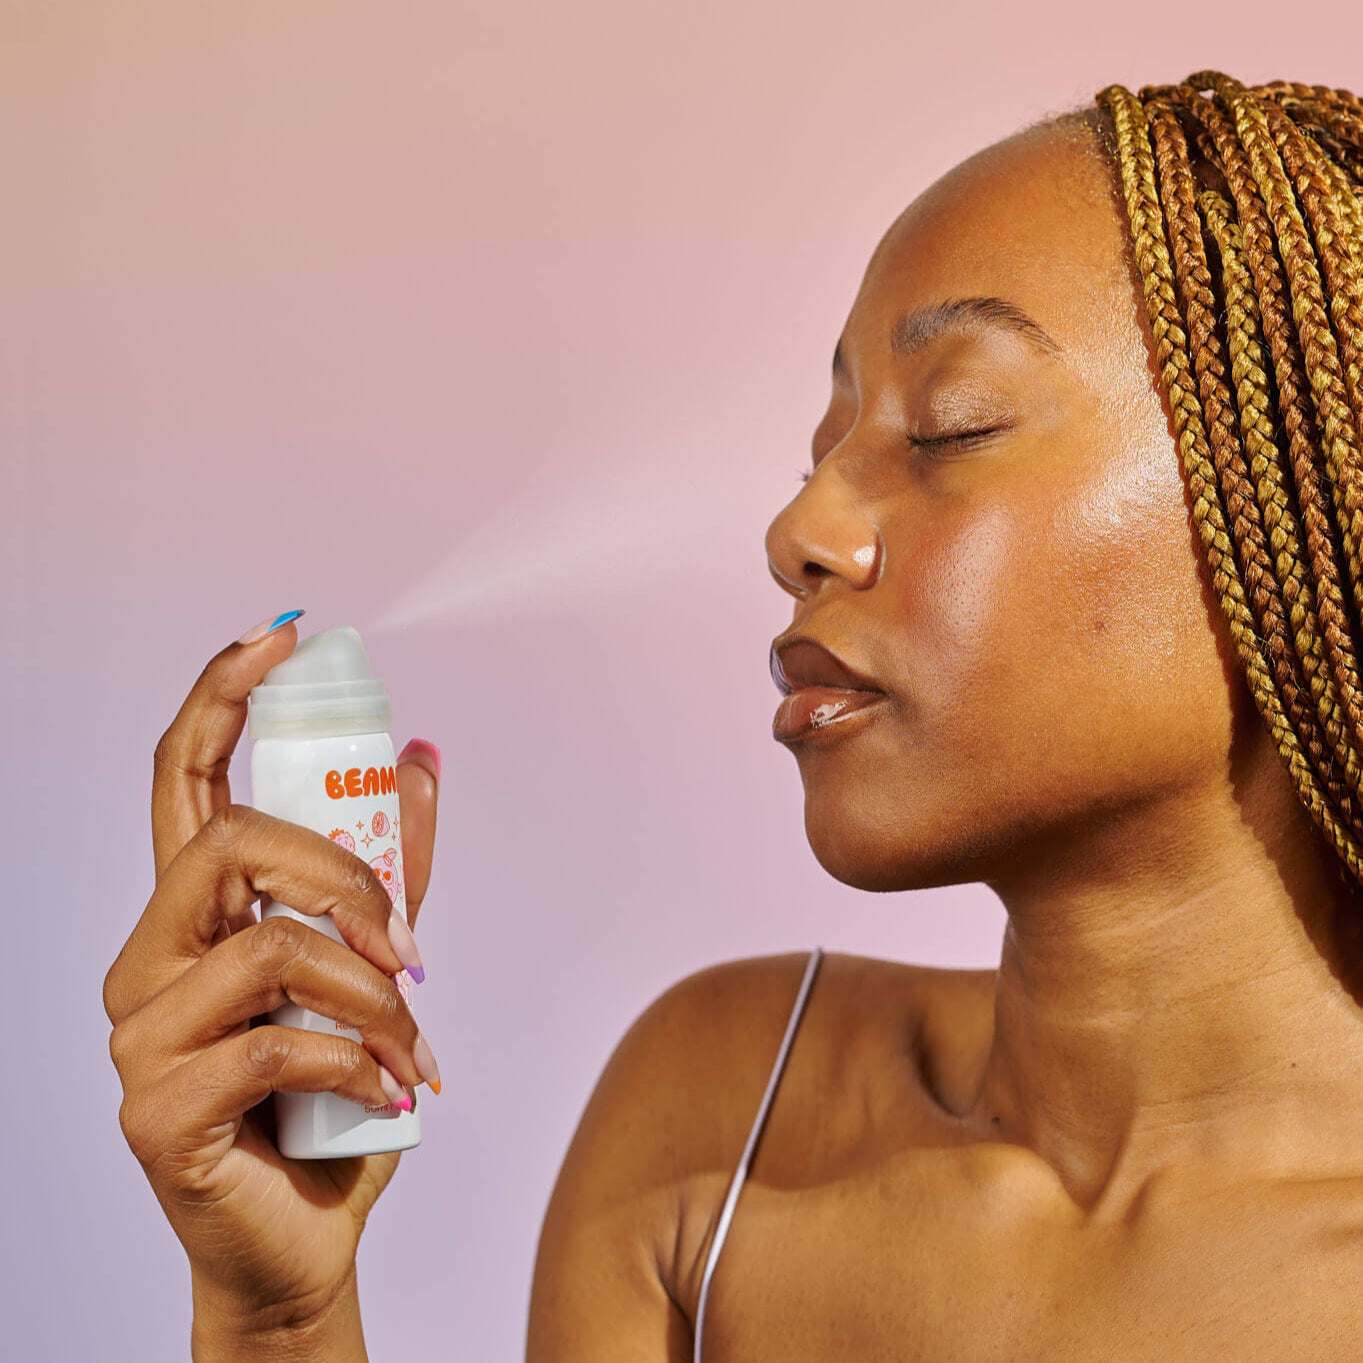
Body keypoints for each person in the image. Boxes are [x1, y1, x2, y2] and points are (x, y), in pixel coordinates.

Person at [105, 70, 1363, 1359]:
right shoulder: (722, 1117)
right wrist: (278, 1315)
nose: (799, 531)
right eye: (821, 448)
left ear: (1315, 496)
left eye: (950, 425)